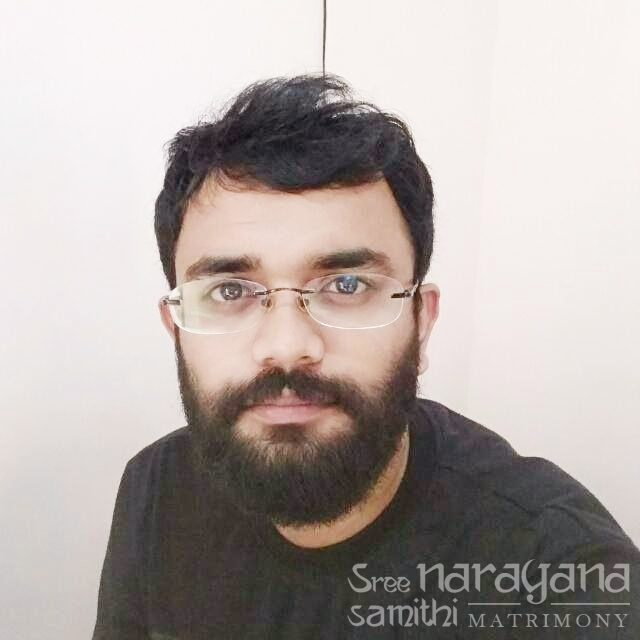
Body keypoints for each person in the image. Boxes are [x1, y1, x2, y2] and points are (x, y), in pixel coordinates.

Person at [93, 75, 640, 639]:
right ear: (176, 328)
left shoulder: (558, 574)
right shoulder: (155, 490)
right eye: (230, 290)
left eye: (347, 284)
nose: (287, 346)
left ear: (420, 322)